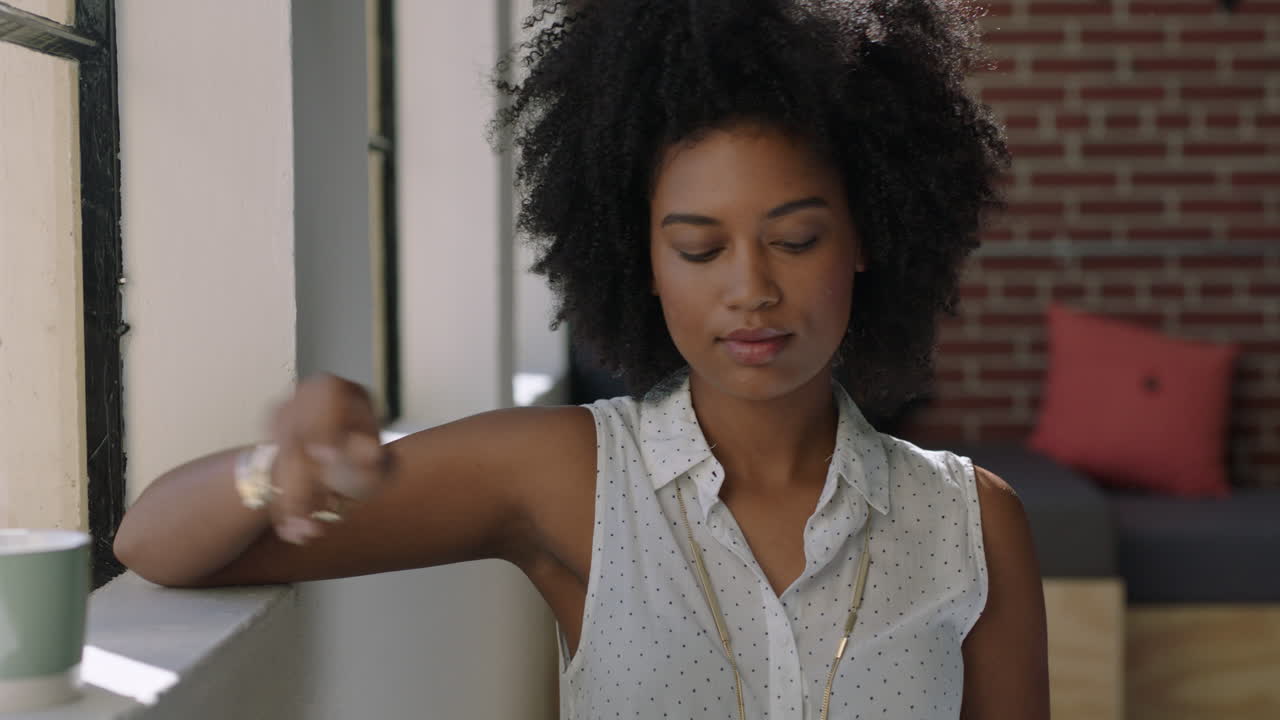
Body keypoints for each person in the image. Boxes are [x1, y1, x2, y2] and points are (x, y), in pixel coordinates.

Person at [115, 0, 1050, 717]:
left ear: (865, 239)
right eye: (698, 248)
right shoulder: (569, 477)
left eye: (796, 240)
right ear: (638, 258)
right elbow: (152, 545)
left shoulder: (968, 523)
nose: (750, 288)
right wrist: (273, 467)